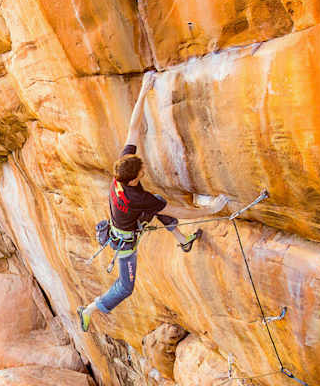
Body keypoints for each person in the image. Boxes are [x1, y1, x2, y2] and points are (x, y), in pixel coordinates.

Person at [78, 87, 225, 332]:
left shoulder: (120, 172)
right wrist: (211, 210)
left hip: (125, 223)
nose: (144, 170)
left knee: (156, 200)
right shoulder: (137, 197)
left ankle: (182, 240)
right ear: (134, 179)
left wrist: (145, 90)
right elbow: (180, 212)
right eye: (142, 171)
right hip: (125, 243)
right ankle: (90, 310)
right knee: (126, 287)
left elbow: (133, 129)